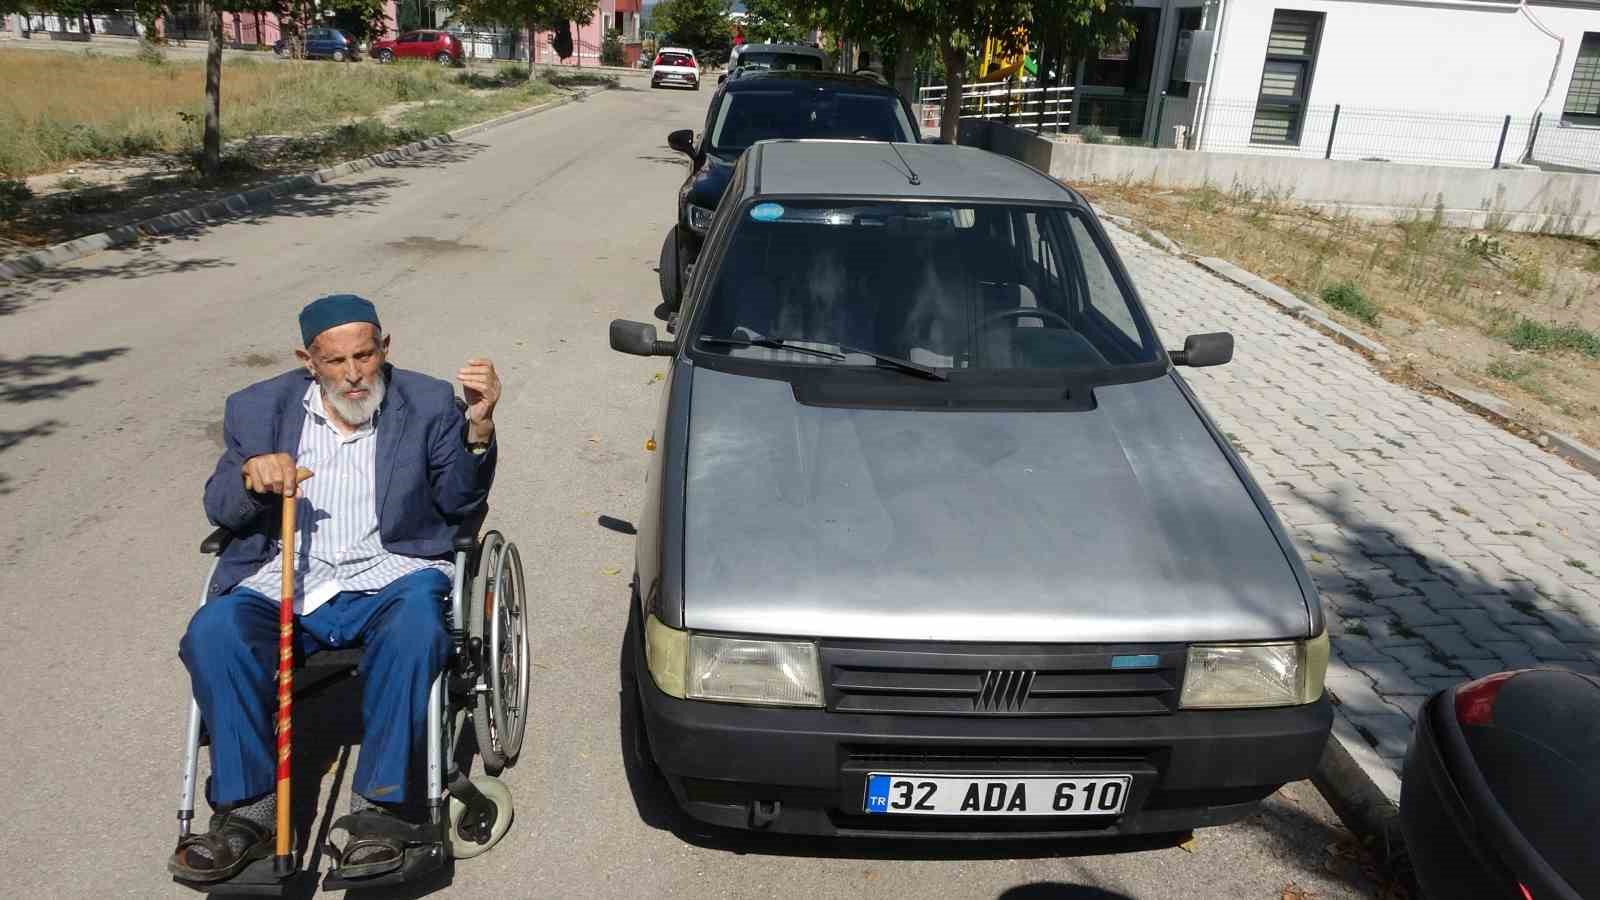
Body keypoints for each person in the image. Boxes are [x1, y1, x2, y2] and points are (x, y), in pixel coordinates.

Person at [169, 294, 500, 883]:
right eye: (336, 361)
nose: (353, 374)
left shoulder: (426, 403)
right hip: (289, 577)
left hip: (391, 573)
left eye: (365, 356)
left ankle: (380, 813)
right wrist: (251, 479)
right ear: (308, 360)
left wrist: (478, 427)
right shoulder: (257, 409)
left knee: (419, 628)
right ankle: (247, 812)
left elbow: (459, 504)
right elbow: (220, 507)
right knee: (213, 632)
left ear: (385, 348)